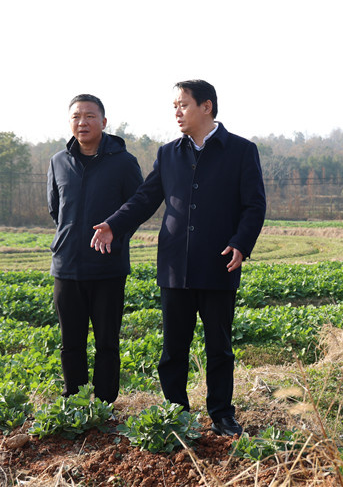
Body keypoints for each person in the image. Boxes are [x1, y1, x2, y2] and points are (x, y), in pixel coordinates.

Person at [90, 79, 266, 436]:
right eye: (174, 106)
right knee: (173, 349)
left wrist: (241, 243)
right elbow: (145, 199)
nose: (177, 112)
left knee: (219, 347)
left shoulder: (241, 151)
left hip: (219, 263)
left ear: (206, 106)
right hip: (174, 267)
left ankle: (221, 414)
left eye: (183, 105)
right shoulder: (169, 153)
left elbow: (254, 205)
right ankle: (176, 412)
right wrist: (113, 224)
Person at [47, 94, 144, 404]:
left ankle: (104, 405)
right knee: (70, 342)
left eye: (90, 116)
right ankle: (74, 402)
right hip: (67, 266)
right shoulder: (58, 162)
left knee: (107, 343)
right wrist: (69, 237)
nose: (82, 122)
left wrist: (116, 236)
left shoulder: (124, 162)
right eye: (76, 117)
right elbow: (55, 209)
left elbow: (137, 208)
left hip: (107, 267)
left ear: (104, 122)